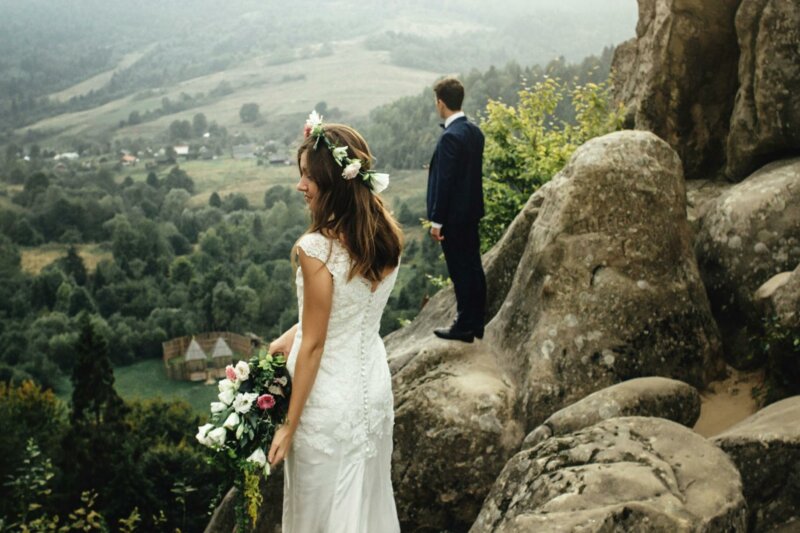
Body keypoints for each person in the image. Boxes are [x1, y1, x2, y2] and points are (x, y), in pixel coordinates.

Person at [267, 113, 402, 533]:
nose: (300, 185)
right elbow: (347, 312)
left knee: (319, 519)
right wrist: (284, 340)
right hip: (373, 396)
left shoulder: (316, 248)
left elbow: (316, 344)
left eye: (308, 177)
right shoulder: (385, 238)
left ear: (334, 183)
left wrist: (287, 425)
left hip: (325, 407)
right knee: (367, 508)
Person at [427, 77, 487, 343]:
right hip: (472, 212)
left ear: (441, 102)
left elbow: (446, 181)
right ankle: (476, 322)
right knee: (474, 266)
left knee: (461, 271)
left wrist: (437, 221)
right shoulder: (474, 132)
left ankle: (464, 324)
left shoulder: (451, 137)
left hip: (453, 218)